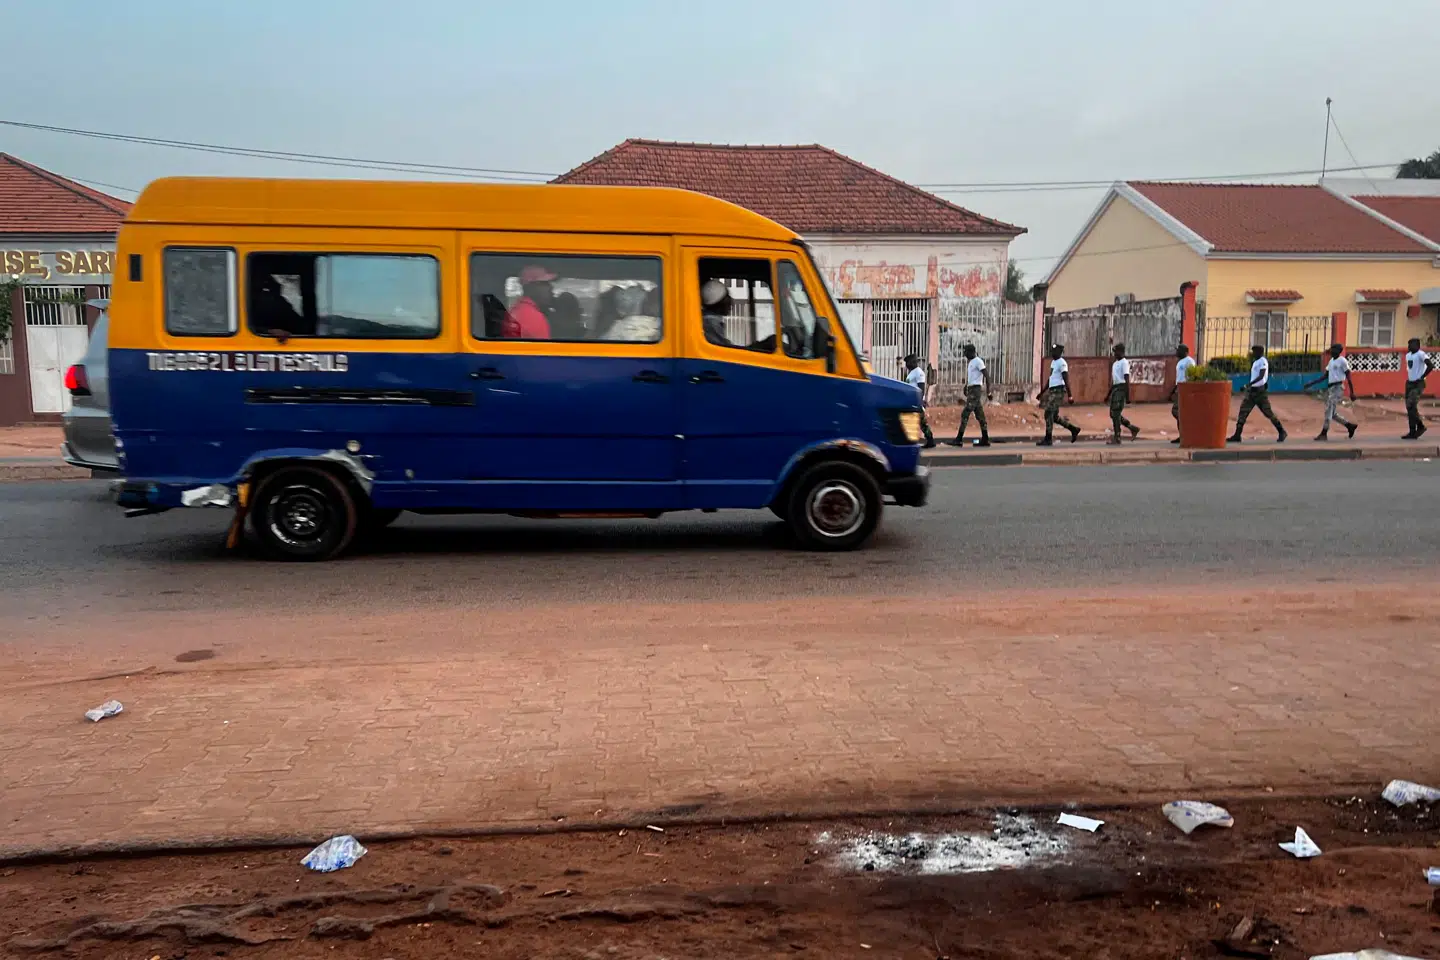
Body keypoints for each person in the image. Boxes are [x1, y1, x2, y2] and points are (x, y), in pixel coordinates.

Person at [1228, 344, 1287, 443]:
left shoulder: (1263, 361)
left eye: (1254, 351)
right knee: (1243, 411)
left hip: (1260, 392)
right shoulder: (1255, 362)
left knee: (1268, 413)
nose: (1253, 353)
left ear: (1259, 352)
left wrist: (1248, 385)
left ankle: (1282, 431)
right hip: (1252, 392)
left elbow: (1261, 376)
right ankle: (1237, 435)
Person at [1302, 343, 1358, 441]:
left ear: (1338, 351)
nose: (1331, 351)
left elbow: (1348, 376)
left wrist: (1352, 392)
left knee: (1328, 409)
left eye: (1333, 350)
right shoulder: (1331, 361)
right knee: (1332, 413)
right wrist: (1311, 383)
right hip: (1331, 388)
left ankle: (1324, 433)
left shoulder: (1342, 361)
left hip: (1338, 387)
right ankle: (1349, 426)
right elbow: (1325, 376)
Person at [948, 344, 991, 446]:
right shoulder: (971, 362)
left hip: (975, 390)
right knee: (980, 415)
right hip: (972, 389)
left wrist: (988, 391)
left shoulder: (978, 361)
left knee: (965, 413)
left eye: (966, 352)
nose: (965, 354)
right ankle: (985, 439)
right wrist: (966, 386)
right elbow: (972, 377)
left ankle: (959, 439)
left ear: (971, 352)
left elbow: (987, 376)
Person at [1038, 344, 1081, 446]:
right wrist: (1042, 392)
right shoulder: (1054, 362)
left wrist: (1070, 395)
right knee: (1054, 417)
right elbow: (1051, 379)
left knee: (1048, 413)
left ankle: (1048, 439)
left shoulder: (1062, 363)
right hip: (1053, 391)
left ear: (1060, 352)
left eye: (1054, 351)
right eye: (1052, 351)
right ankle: (1073, 429)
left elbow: (1066, 379)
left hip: (1058, 391)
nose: (1052, 353)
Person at [501, 265, 554, 339]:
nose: (551, 288)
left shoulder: (518, 310)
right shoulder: (534, 318)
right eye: (545, 284)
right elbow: (543, 350)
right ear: (532, 287)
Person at [1107, 342, 1140, 445]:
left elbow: (1126, 379)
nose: (1115, 354)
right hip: (1115, 389)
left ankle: (1117, 437)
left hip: (1121, 389)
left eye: (1116, 352)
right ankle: (1132, 428)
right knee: (1113, 414)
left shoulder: (1124, 363)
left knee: (1116, 413)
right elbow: (1114, 381)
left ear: (1121, 352)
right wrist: (1108, 394)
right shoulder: (1115, 364)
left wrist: (1127, 395)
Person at [1403, 337, 1433, 440]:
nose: (1409, 346)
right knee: (1409, 408)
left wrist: (1422, 376)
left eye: (1411, 344)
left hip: (1418, 383)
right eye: (1408, 344)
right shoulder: (1407, 356)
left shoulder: (1421, 354)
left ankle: (1420, 426)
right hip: (1409, 383)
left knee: (1411, 404)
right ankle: (1412, 432)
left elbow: (1430, 366)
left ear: (1417, 345)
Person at [904, 354, 936, 448]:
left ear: (914, 362)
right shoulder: (911, 373)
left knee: (921, 422)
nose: (907, 364)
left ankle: (930, 440)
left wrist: (920, 401)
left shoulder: (919, 372)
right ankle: (927, 440)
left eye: (908, 362)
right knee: (916, 421)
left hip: (916, 401)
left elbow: (921, 388)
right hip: (910, 401)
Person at [1169, 344, 1196, 444]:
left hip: (1186, 390)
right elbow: (1179, 378)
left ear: (1185, 352)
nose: (1176, 352)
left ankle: (1187, 431)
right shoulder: (1180, 362)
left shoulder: (1189, 361)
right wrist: (1173, 390)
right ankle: (1182, 436)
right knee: (1179, 412)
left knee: (1176, 411)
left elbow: (1191, 376)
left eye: (1178, 351)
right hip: (1179, 389)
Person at [700, 279, 735, 347]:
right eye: (727, 297)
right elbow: (724, 349)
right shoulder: (710, 323)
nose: (731, 301)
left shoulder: (709, 320)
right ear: (720, 303)